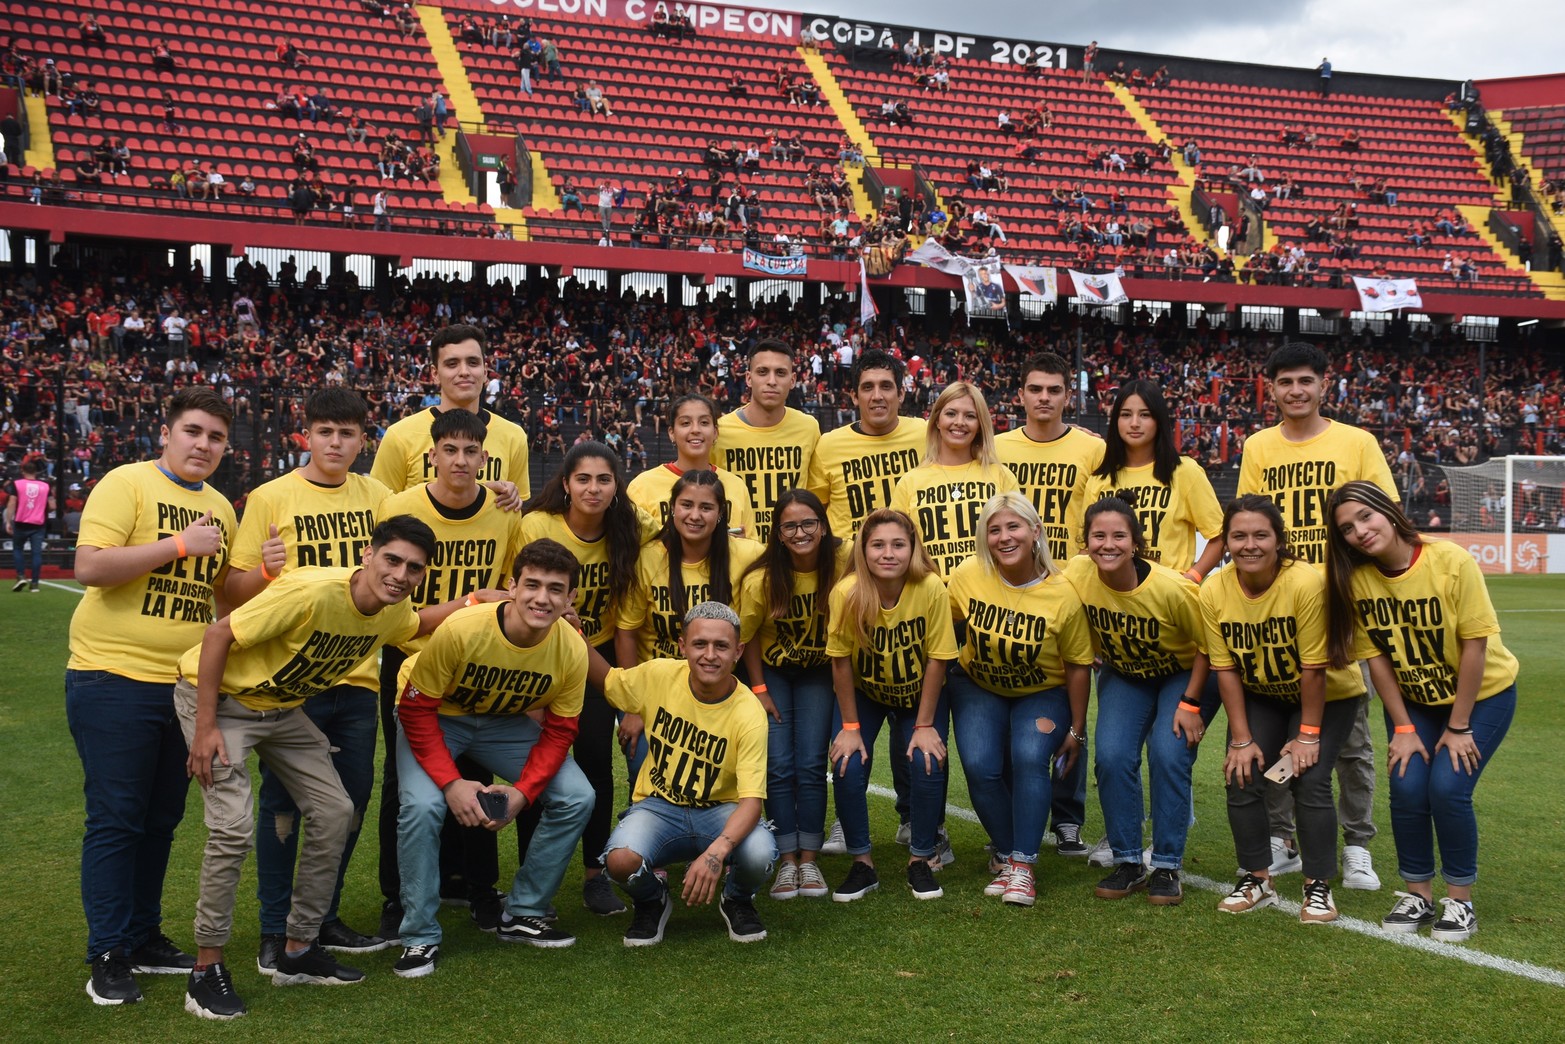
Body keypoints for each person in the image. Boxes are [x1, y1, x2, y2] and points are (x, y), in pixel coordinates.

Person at [176, 516, 471, 1019]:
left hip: (283, 711)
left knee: (336, 811)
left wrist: (471, 602)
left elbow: (417, 625)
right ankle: (206, 969)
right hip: (223, 703)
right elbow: (219, 633)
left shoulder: (391, 610)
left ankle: (298, 949)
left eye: (414, 569)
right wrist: (204, 728)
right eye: (392, 559)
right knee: (232, 828)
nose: (400, 574)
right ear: (367, 554)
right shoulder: (311, 591)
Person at [65, 388, 236, 1006]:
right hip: (112, 676)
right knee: (116, 818)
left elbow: (223, 592)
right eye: (193, 431)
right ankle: (107, 952)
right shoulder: (127, 482)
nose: (204, 445)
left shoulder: (220, 506)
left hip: (183, 686)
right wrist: (175, 546)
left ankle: (140, 935)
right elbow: (89, 566)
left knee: (162, 819)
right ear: (166, 434)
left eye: (216, 437)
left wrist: (264, 571)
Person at [222, 389, 393, 971]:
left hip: (358, 675)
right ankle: (275, 927)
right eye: (325, 432)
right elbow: (233, 593)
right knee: (282, 802)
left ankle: (321, 917)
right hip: (293, 675)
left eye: (347, 434)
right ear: (307, 436)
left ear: (362, 440)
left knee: (347, 803)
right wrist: (266, 571)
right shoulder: (271, 496)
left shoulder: (380, 497)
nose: (336, 443)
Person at [1325, 482, 1518, 942]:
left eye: (1366, 518)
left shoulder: (1450, 560)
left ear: (1389, 511)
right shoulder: (1357, 581)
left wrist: (1459, 725)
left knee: (1448, 789)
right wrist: (1405, 727)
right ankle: (1418, 894)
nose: (1360, 532)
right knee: (1408, 788)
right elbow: (1377, 661)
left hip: (1481, 696)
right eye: (1347, 529)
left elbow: (1475, 646)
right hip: (1413, 703)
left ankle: (1461, 902)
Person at [392, 539, 595, 975]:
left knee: (577, 795)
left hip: (502, 722)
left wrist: (523, 793)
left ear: (570, 598)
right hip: (436, 716)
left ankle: (523, 911)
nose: (542, 598)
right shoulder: (464, 627)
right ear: (511, 586)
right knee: (423, 806)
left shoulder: (572, 648)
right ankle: (419, 935)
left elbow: (560, 730)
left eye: (555, 589)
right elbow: (415, 709)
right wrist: (451, 783)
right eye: (532, 585)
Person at [1238, 341, 1396, 889]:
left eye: (1306, 381)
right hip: (1279, 605)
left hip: (1340, 605)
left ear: (1324, 385)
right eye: (1285, 383)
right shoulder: (1258, 446)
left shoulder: (1357, 442)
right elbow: (1251, 522)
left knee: (1350, 737)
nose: (1296, 391)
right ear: (1272, 389)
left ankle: (1357, 845)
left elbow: (1381, 517)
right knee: (1284, 726)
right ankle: (1283, 839)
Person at [375, 408, 528, 935]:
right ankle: (397, 895)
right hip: (409, 653)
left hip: (474, 658)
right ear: (432, 455)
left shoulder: (505, 511)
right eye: (450, 450)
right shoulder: (400, 506)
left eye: (471, 451)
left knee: (476, 770)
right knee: (402, 781)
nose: (460, 460)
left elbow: (512, 579)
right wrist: (469, 602)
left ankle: (479, 886)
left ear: (485, 457)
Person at [1201, 495, 1367, 925]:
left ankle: (1317, 886)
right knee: (1241, 773)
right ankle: (1258, 879)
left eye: (1261, 535)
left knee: (1309, 779)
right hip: (1263, 693)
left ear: (1279, 540)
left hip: (1327, 695)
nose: (1249, 545)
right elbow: (1225, 669)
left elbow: (1314, 668)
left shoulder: (1304, 582)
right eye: (1238, 536)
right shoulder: (1215, 589)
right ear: (1227, 542)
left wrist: (1308, 734)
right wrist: (1241, 739)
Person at [513, 442, 658, 916]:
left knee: (596, 763)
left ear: (618, 487)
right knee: (536, 766)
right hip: (538, 655)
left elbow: (679, 528)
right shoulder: (537, 526)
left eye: (604, 480)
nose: (593, 489)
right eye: (583, 479)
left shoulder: (628, 530)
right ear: (566, 484)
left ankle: (595, 876)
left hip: (592, 660)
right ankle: (532, 877)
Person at [589, 602, 775, 946]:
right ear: (682, 646)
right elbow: (609, 681)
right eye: (700, 644)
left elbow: (751, 802)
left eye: (721, 646)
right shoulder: (658, 674)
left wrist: (717, 853)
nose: (710, 655)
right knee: (620, 861)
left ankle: (737, 899)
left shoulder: (749, 712)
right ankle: (651, 900)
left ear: (738, 651)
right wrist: (572, 634)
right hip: (660, 806)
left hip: (722, 811)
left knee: (760, 852)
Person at [947, 494, 1093, 906]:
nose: (1004, 537)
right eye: (994, 529)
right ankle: (1011, 855)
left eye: (1013, 527)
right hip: (978, 684)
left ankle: (1023, 867)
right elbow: (948, 623)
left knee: (1030, 756)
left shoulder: (1063, 592)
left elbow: (1079, 665)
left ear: (1035, 532)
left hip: (1042, 691)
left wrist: (1076, 731)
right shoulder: (967, 575)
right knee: (979, 766)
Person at [1064, 498, 1207, 905]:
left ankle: (1166, 865)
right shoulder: (1077, 572)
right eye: (1098, 536)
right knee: (1111, 755)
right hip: (1126, 673)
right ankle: (1128, 861)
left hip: (1181, 673)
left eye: (1118, 536)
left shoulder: (1172, 588)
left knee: (1168, 752)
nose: (1108, 545)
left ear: (1136, 543)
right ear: (1085, 542)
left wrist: (1192, 703)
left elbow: (1209, 648)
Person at [995, 353, 1104, 858]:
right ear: (1020, 395)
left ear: (1068, 396)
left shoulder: (1092, 448)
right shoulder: (997, 449)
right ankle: (1025, 812)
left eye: (1054, 390)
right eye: (1034, 389)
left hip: (1069, 589)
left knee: (1071, 703)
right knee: (1019, 706)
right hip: (1011, 590)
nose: (1044, 398)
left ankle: (1067, 816)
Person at [826, 509, 958, 902]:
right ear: (863, 551)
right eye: (878, 544)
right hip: (866, 693)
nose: (888, 553)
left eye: (898, 544)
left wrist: (924, 724)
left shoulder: (931, 587)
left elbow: (939, 658)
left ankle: (921, 856)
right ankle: (862, 863)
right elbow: (840, 661)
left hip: (919, 692)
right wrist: (850, 727)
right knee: (846, 763)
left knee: (927, 759)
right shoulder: (846, 591)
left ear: (913, 548)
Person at [738, 489, 846, 901]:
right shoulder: (761, 578)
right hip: (774, 673)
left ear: (822, 525)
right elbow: (746, 638)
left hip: (820, 671)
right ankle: (786, 861)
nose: (800, 532)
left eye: (808, 523)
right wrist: (760, 689)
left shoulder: (842, 560)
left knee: (811, 762)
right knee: (779, 763)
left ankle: (809, 859)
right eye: (790, 526)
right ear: (778, 534)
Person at [619, 469, 764, 666]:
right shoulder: (646, 558)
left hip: (720, 680)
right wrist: (632, 691)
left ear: (720, 512)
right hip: (659, 682)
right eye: (686, 505)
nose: (695, 515)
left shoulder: (748, 554)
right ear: (672, 508)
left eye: (706, 508)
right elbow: (626, 632)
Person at [1085, 379, 1225, 580]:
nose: (1134, 423)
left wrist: (1192, 577)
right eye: (1126, 415)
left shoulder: (1185, 472)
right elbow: (1086, 547)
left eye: (1145, 415)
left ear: (1159, 420)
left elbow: (1219, 536)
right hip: (1109, 600)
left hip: (1166, 600)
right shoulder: (1099, 480)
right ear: (1115, 420)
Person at [890, 381, 1020, 577]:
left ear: (980, 425)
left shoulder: (1001, 476)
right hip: (931, 596)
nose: (959, 422)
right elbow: (896, 545)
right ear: (936, 420)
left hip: (989, 596)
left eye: (970, 416)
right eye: (951, 413)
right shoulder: (910, 482)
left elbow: (1018, 540)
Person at [711, 338, 822, 542]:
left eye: (780, 373)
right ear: (749, 378)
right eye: (762, 372)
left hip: (791, 551)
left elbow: (816, 497)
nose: (772, 380)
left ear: (792, 379)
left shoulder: (808, 427)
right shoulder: (720, 431)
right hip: (737, 552)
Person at [626, 393, 754, 537]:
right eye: (685, 423)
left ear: (715, 432)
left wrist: (742, 547)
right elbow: (632, 549)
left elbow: (752, 547)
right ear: (672, 433)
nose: (695, 430)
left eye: (704, 423)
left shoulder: (736, 486)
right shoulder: (642, 486)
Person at [6, 458, 51, 592]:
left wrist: (8, 521)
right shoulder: (45, 486)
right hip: (38, 523)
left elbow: (12, 503)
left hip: (21, 522)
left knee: (18, 549)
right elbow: (53, 505)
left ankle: (21, 576)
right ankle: (35, 584)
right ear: (36, 472)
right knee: (36, 553)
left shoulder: (17, 484)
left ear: (22, 471)